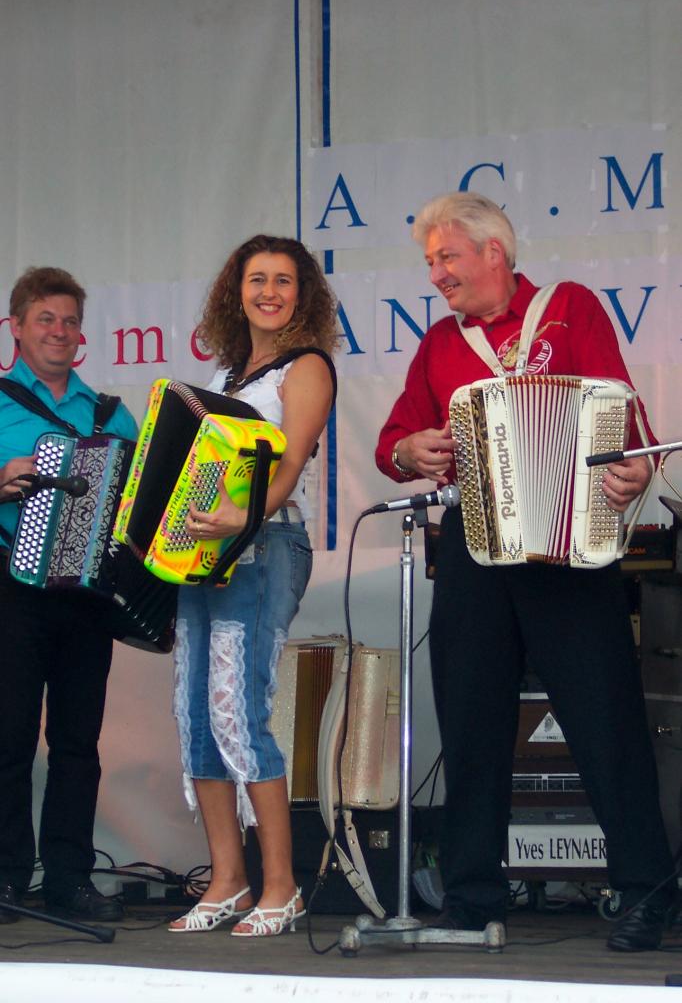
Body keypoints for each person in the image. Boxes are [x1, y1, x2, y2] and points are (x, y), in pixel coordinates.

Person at [375, 192, 677, 952]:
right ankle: (474, 897)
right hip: (477, 554)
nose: (437, 274)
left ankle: (647, 890)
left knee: (606, 725)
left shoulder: (570, 309)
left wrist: (631, 476)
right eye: (430, 262)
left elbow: (624, 418)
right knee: (471, 725)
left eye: (447, 257)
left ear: (493, 254)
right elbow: (394, 443)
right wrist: (412, 451)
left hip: (569, 552)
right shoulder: (439, 346)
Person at [168, 234, 337, 937]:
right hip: (204, 552)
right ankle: (227, 881)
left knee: (241, 712)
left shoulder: (308, 368)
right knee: (195, 717)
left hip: (264, 546)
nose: (269, 292)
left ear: (303, 295)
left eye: (284, 281)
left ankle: (282, 886)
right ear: (236, 290)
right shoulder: (228, 374)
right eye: (257, 279)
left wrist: (239, 516)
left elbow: (289, 466)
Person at [0, 266, 138, 923]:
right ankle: (4, 879)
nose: (59, 331)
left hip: (87, 596)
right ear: (17, 327)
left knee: (78, 744)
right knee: (9, 738)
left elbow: (146, 502)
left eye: (69, 321)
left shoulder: (110, 414)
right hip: (12, 589)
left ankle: (68, 878)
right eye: (45, 319)